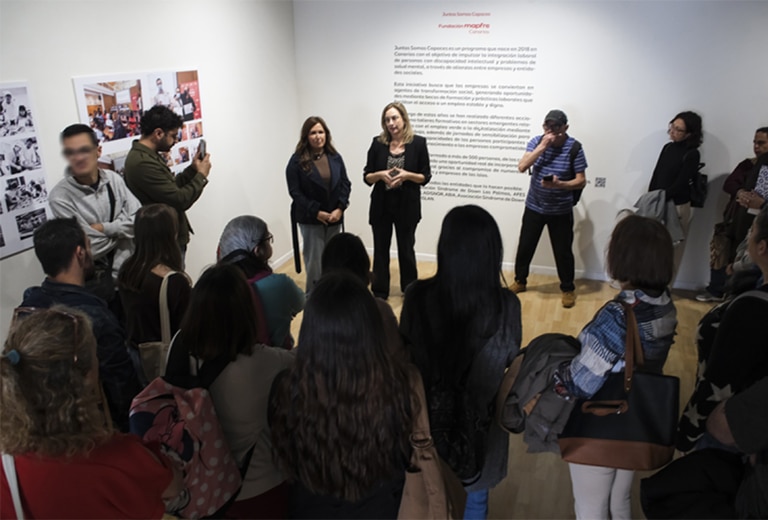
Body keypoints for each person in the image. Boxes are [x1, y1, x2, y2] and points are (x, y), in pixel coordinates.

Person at [400, 205, 522, 519]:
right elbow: (507, 358)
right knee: (475, 503)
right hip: (480, 436)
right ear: (492, 252)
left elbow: (406, 358)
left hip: (425, 428)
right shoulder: (507, 306)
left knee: (426, 501)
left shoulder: (416, 297)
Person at [0, 308, 181, 518]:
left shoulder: (7, 462)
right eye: (96, 354)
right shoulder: (122, 459)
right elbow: (173, 486)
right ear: (86, 378)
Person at [553, 215, 678, 520]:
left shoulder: (618, 313)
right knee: (620, 501)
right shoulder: (665, 304)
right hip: (635, 418)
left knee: (590, 510)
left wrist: (556, 374)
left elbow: (582, 382)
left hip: (601, 420)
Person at [270, 272, 414, 518]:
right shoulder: (395, 389)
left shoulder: (286, 389)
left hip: (309, 510)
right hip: (378, 510)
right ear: (371, 330)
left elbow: (285, 458)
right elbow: (400, 464)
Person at [165, 264, 295, 518]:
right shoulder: (263, 362)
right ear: (245, 310)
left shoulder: (179, 345)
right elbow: (307, 358)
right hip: (256, 491)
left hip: (198, 491)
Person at [20, 218, 141, 432]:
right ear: (80, 253)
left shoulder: (27, 310)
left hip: (41, 428)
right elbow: (122, 390)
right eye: (89, 245)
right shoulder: (95, 318)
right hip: (92, 432)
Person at [677, 205, 768, 452]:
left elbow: (720, 380)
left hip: (727, 429)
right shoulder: (751, 294)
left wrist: (689, 432)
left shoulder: (751, 309)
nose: (747, 236)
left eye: (752, 231)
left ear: (762, 247)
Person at [49, 124, 140, 300]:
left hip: (131, 277)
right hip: (98, 288)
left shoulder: (114, 179)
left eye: (84, 150)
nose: (78, 158)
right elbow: (89, 249)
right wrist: (123, 227)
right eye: (71, 152)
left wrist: (105, 229)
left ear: (98, 150)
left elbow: (139, 220)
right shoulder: (60, 197)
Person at [512, 109, 587, 308]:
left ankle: (568, 288)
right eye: (547, 126)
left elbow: (581, 181)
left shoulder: (575, 148)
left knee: (563, 251)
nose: (551, 130)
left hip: (561, 211)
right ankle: (520, 280)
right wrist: (542, 147)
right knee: (525, 246)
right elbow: (521, 166)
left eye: (556, 127)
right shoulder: (537, 142)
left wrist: (560, 185)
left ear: (566, 127)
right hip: (534, 206)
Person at [363, 102, 431, 300]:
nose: (391, 123)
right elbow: (367, 176)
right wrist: (381, 174)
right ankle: (380, 291)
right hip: (381, 206)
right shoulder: (378, 144)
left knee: (406, 249)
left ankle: (410, 289)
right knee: (381, 250)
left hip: (407, 206)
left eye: (395, 118)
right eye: (387, 120)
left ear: (404, 119)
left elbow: (425, 177)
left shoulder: (418, 143)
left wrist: (407, 175)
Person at [124, 105, 211, 257]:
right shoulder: (142, 163)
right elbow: (179, 199)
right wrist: (201, 176)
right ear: (158, 133)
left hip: (168, 237)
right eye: (173, 135)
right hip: (163, 243)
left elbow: (170, 187)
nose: (176, 141)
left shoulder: (149, 156)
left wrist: (192, 170)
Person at [118, 204, 192, 377]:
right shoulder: (173, 280)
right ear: (171, 234)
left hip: (137, 355)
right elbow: (187, 329)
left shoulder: (128, 270)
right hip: (165, 361)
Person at [697, 128, 768, 301]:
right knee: (723, 253)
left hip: (758, 224)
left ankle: (736, 297)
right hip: (736, 218)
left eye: (761, 143)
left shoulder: (764, 166)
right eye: (754, 142)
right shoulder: (748, 164)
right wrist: (740, 192)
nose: (756, 147)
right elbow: (730, 183)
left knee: (747, 262)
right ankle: (718, 290)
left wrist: (761, 203)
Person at [217, 215, 304, 348]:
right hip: (280, 361)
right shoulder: (281, 284)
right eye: (268, 239)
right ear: (257, 250)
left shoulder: (215, 289)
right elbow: (300, 302)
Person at [286, 116, 351, 293]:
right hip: (311, 219)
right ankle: (314, 298)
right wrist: (316, 212)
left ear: (326, 135)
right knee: (314, 262)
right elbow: (295, 192)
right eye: (313, 132)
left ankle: (333, 295)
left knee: (333, 259)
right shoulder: (296, 161)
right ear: (306, 136)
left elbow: (345, 183)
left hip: (334, 218)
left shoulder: (335, 157)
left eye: (320, 132)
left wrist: (340, 208)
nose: (317, 136)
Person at [320, 232, 404, 358]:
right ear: (364, 266)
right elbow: (397, 356)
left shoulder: (316, 310)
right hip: (375, 376)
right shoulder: (380, 310)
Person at [648, 111, 703, 277]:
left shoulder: (692, 153)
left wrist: (660, 197)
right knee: (652, 249)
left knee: (673, 251)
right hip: (658, 203)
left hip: (678, 206)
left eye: (678, 130)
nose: (672, 132)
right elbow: (657, 174)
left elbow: (681, 183)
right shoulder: (668, 147)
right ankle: (649, 285)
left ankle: (666, 289)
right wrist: (652, 197)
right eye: (672, 127)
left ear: (690, 134)